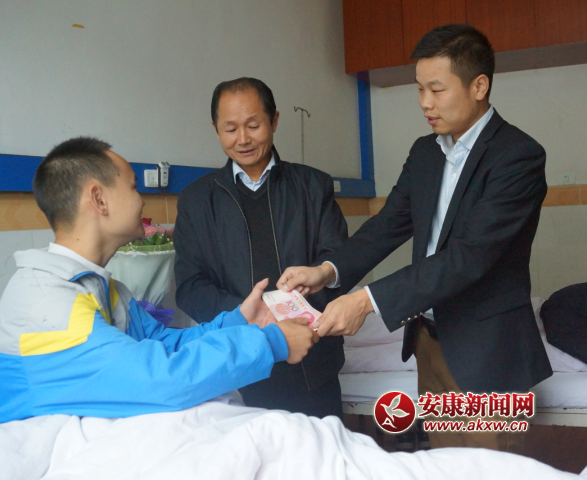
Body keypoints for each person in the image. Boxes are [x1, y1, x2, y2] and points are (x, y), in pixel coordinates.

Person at [277, 24, 552, 450]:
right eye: (419, 89)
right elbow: (387, 225)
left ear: (479, 86)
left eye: (436, 89)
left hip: (488, 350)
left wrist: (367, 301)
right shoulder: (426, 151)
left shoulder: (517, 156)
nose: (425, 102)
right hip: (428, 342)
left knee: (489, 467)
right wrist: (327, 271)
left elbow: (468, 257)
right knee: (443, 463)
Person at [0, 137, 318, 424]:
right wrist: (271, 343)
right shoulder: (48, 303)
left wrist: (240, 321)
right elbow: (157, 379)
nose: (142, 201)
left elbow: (163, 345)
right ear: (98, 199)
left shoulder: (107, 290)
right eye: (133, 187)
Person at [174, 78, 348, 418]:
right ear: (216, 129)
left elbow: (339, 263)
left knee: (319, 450)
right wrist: (249, 319)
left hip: (312, 359)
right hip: (236, 361)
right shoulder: (196, 200)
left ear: (274, 120)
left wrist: (297, 317)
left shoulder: (313, 186)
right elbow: (190, 286)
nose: (243, 139)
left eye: (253, 126)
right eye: (230, 129)